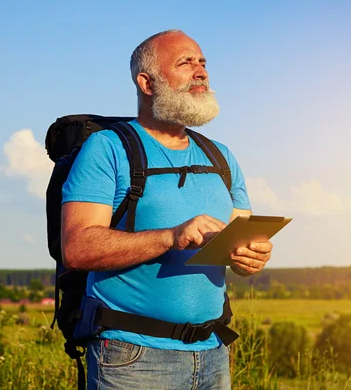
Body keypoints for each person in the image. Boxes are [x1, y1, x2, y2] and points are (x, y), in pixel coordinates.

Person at [60, 29, 273, 390]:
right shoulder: (106, 148)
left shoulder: (221, 156)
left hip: (213, 353)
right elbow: (77, 249)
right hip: (133, 358)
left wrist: (250, 257)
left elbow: (240, 242)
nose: (201, 71)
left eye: (203, 62)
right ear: (147, 82)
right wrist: (171, 237)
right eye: (185, 63)